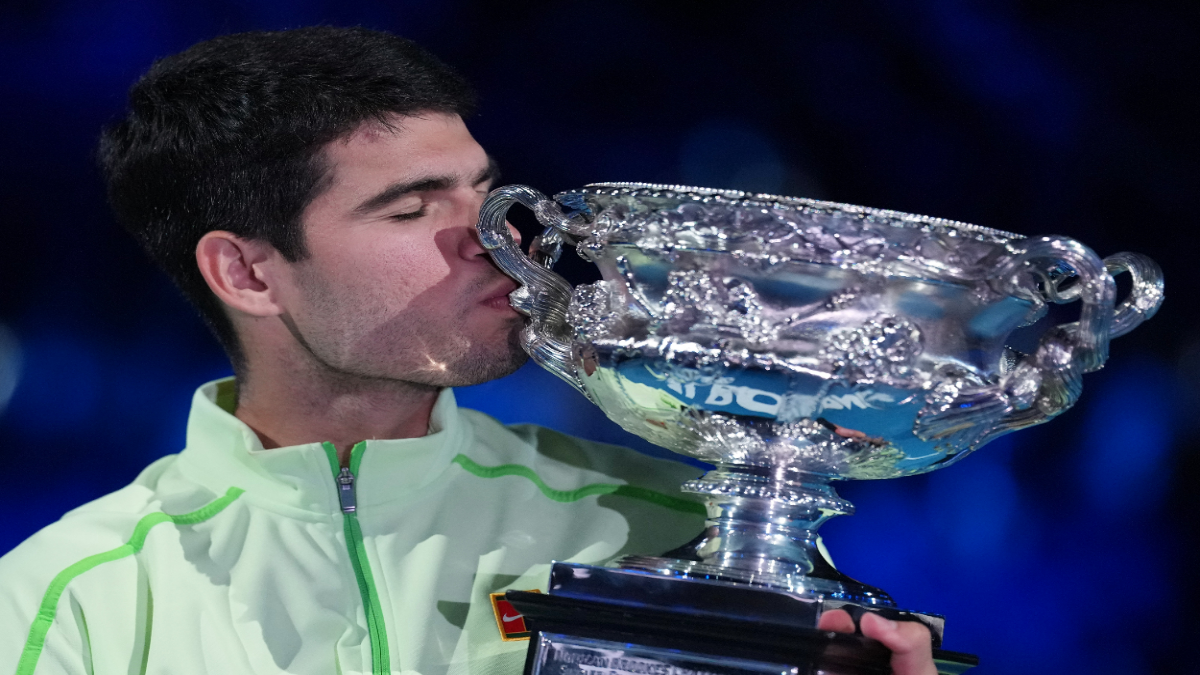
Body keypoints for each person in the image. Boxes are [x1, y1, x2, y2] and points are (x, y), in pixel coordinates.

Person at [0, 26, 937, 675]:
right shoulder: (77, 594)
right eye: (411, 209)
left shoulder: (666, 525)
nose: (498, 238)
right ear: (247, 273)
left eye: (486, 192)